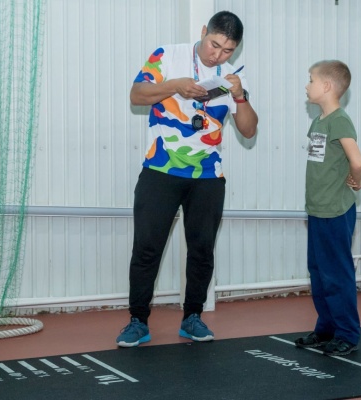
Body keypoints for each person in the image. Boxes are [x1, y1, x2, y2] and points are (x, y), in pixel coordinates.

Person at [116, 11, 258, 347]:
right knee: (147, 247)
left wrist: (240, 96)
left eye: (227, 50)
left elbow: (249, 130)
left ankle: (193, 317)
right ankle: (138, 321)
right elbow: (136, 95)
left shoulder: (233, 76)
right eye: (214, 45)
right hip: (160, 169)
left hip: (208, 175)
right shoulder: (167, 55)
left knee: (202, 249)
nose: (217, 55)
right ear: (204, 31)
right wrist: (174, 86)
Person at [295, 60, 361, 356]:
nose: (306, 85)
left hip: (336, 210)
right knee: (319, 272)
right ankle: (326, 329)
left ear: (326, 86)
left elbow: (356, 160)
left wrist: (355, 180)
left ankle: (347, 333)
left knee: (337, 274)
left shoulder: (339, 120)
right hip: (318, 209)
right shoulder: (319, 122)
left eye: (311, 80)